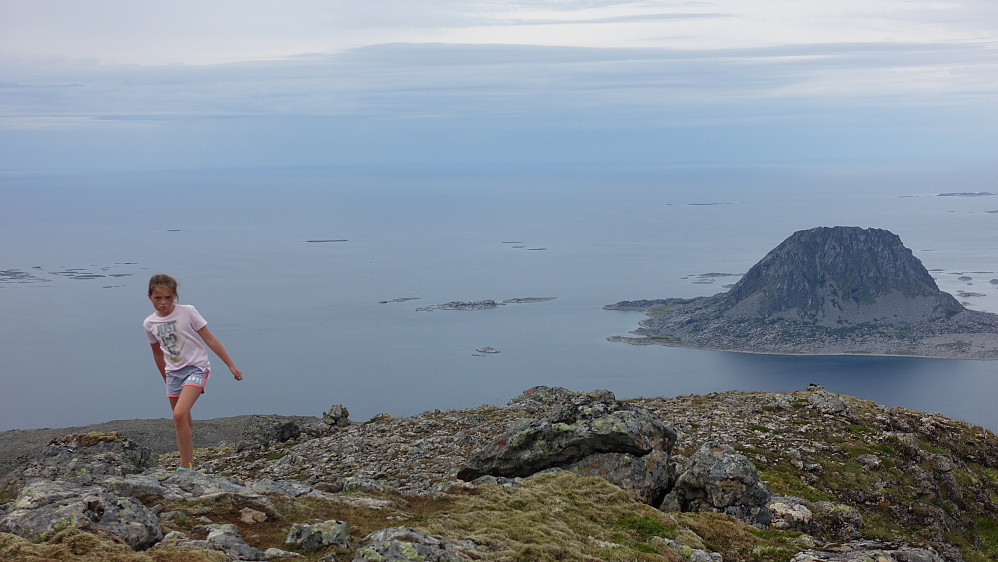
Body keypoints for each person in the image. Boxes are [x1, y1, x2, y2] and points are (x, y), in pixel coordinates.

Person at [143, 273, 242, 471]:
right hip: (172, 374)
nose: (163, 302)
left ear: (175, 296)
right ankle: (187, 449)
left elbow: (210, 339)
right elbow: (157, 355)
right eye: (158, 298)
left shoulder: (188, 312)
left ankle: (185, 468)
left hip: (197, 367)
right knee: (184, 418)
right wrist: (166, 378)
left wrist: (230, 365)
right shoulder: (149, 324)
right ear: (149, 297)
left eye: (168, 297)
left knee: (178, 415)